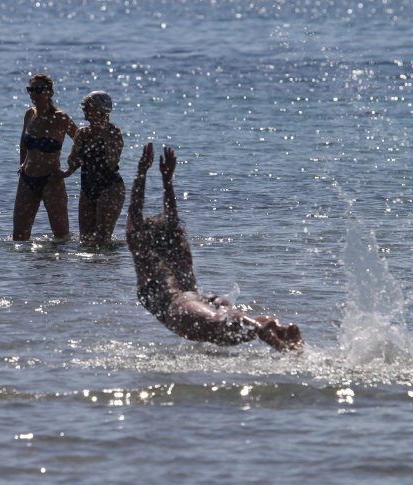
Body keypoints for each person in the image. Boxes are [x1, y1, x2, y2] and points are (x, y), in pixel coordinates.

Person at [126, 143, 303, 351]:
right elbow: (170, 218)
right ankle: (281, 333)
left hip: (180, 308)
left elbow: (134, 213)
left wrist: (141, 173)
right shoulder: (179, 250)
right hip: (206, 300)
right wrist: (167, 182)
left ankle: (270, 333)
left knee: (248, 330)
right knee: (242, 330)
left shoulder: (148, 256)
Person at [12, 73, 78, 241]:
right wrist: (22, 164)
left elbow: (82, 141)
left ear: (50, 93)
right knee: (19, 236)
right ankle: (20, 267)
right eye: (31, 90)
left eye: (39, 90)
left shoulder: (60, 118)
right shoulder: (29, 115)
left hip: (51, 180)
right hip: (27, 180)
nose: (34, 94)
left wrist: (70, 169)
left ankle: (57, 267)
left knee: (61, 236)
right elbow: (23, 144)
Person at [60, 91, 125, 245]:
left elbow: (111, 162)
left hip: (110, 188)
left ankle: (107, 265)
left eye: (89, 108)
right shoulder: (83, 132)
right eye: (85, 107)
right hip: (87, 188)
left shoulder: (114, 133)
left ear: (103, 110)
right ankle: (89, 270)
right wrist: (64, 172)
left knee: (102, 241)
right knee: (85, 241)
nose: (85, 112)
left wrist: (105, 137)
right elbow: (73, 161)